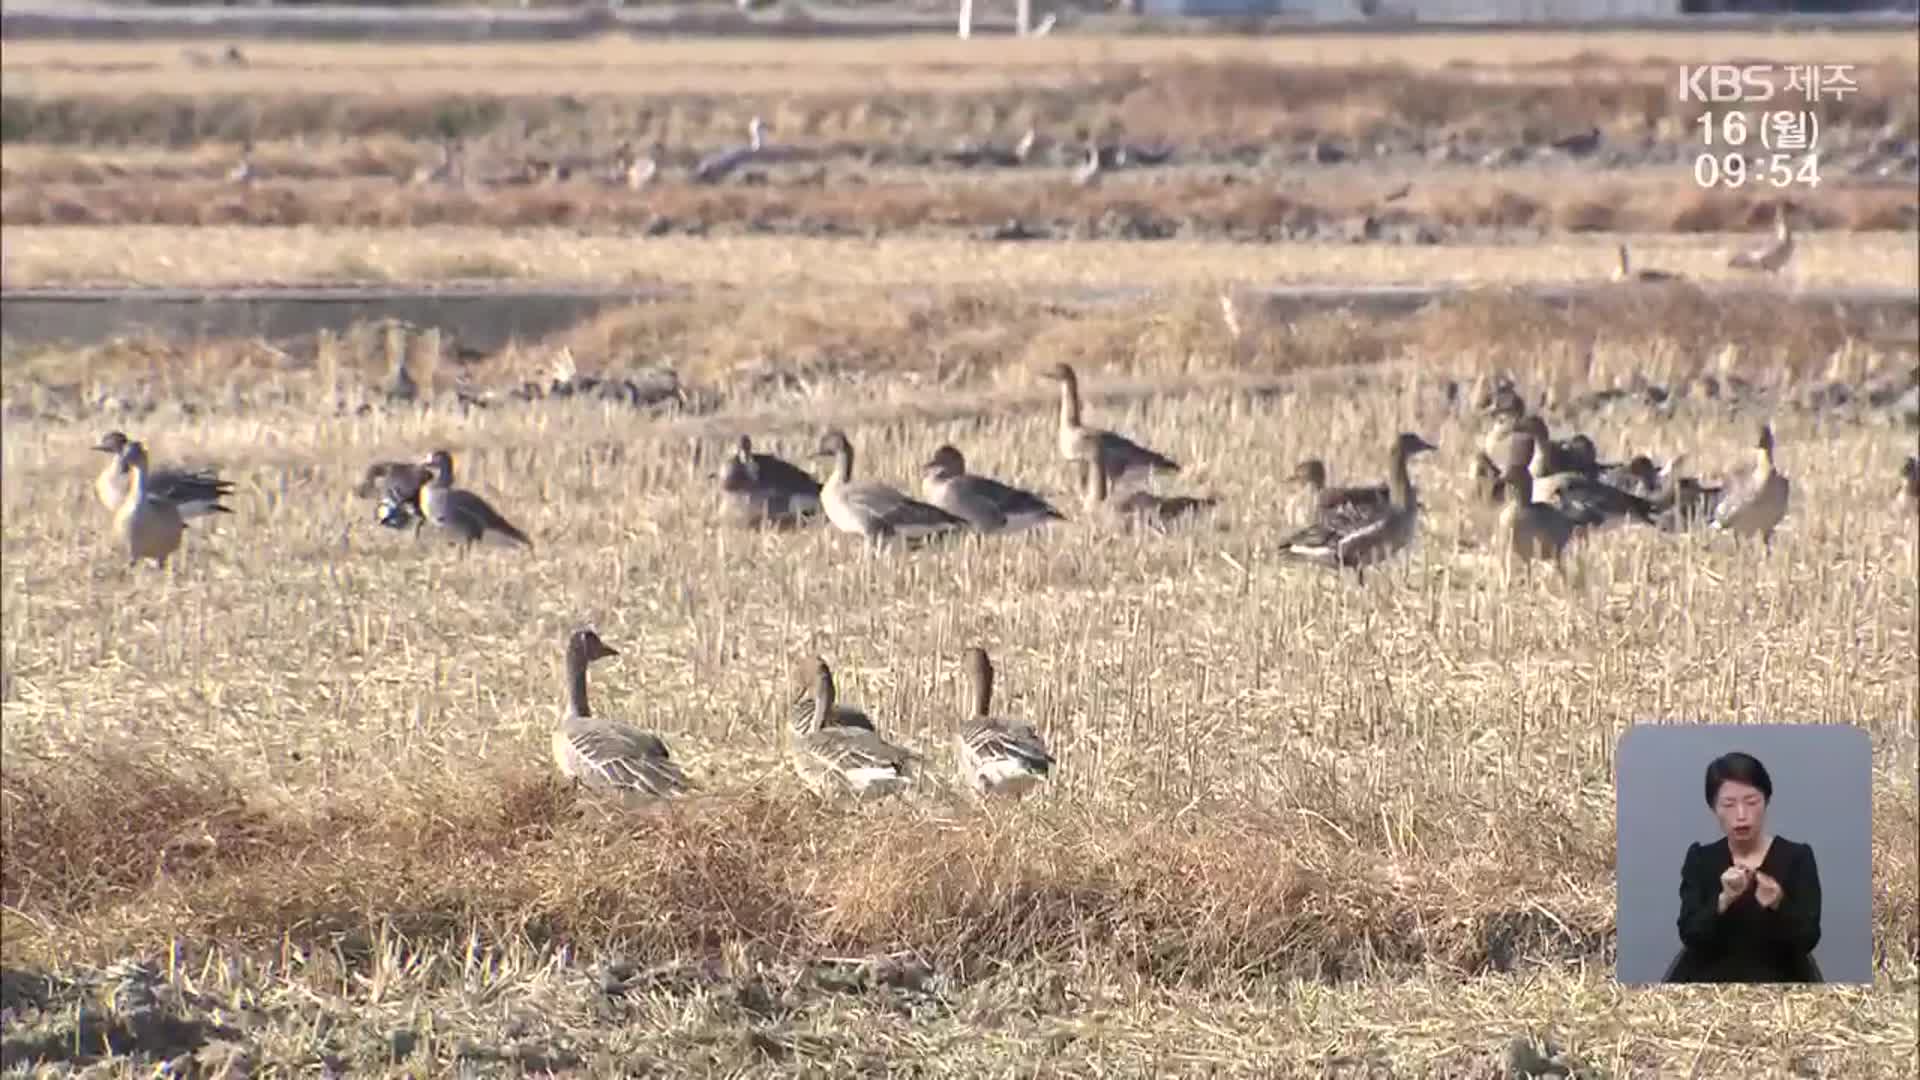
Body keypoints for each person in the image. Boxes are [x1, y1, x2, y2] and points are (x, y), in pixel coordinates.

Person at [1665, 751, 1823, 983]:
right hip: (1709, 981)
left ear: (1766, 801)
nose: (1741, 815)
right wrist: (1724, 900)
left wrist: (1778, 902)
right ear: (1713, 808)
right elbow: (1689, 934)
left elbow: (1808, 938)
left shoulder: (1797, 857)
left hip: (1781, 982)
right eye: (1728, 804)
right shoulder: (1701, 858)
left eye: (1751, 802)